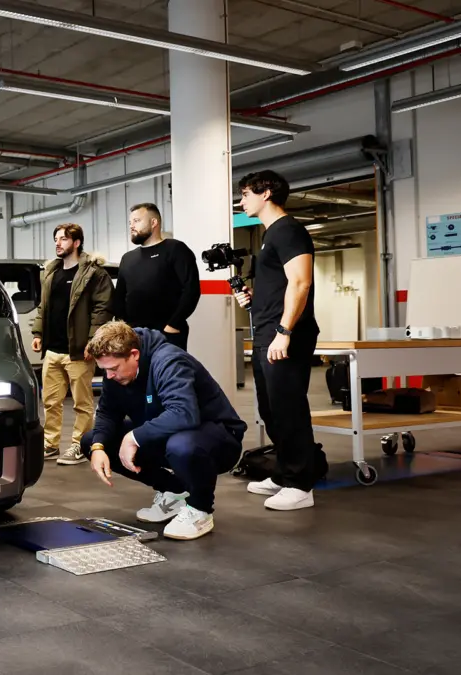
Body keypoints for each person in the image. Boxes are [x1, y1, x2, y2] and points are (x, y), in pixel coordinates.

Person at [86, 321, 247, 540]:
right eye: (104, 370)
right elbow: (107, 413)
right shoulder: (114, 372)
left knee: (181, 446)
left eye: (113, 369)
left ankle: (200, 509)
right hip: (170, 433)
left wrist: (134, 437)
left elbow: (184, 413)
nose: (109, 376)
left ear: (134, 355)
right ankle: (175, 491)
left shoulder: (169, 361)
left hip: (219, 438)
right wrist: (97, 447)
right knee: (91, 441)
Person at [234, 170, 322, 511]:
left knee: (289, 408)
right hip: (267, 332)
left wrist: (284, 332)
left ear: (266, 192)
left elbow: (301, 283)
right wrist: (254, 298)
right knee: (271, 409)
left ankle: (301, 485)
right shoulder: (270, 235)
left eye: (246, 194)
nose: (242, 201)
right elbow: (282, 287)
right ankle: (284, 472)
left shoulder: (289, 231)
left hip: (285, 335)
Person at [30, 223, 114, 466]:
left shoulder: (94, 274)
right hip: (53, 350)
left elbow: (102, 310)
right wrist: (38, 332)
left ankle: (80, 444)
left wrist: (92, 341)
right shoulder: (51, 272)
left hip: (78, 351)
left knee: (82, 403)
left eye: (64, 239)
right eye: (56, 239)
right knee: (50, 402)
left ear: (77, 243)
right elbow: (43, 307)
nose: (58, 243)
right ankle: (50, 444)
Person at [112, 203, 200, 351]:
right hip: (133, 336)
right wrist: (123, 328)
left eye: (137, 221)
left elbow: (191, 289)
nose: (132, 226)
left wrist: (174, 324)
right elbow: (119, 297)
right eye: (130, 222)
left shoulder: (175, 249)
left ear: (154, 222)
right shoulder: (128, 258)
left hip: (168, 334)